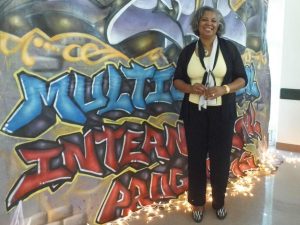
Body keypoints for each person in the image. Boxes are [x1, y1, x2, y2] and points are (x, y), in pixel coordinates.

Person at [173, 6, 248, 223]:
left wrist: (223, 89)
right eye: (205, 20)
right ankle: (197, 202)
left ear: (219, 25)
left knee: (220, 159)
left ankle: (218, 202)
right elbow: (177, 79)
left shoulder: (229, 48)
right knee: (196, 159)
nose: (209, 23)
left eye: (214, 21)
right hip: (194, 112)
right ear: (198, 24)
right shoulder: (188, 51)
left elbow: (241, 78)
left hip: (222, 113)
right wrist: (189, 88)